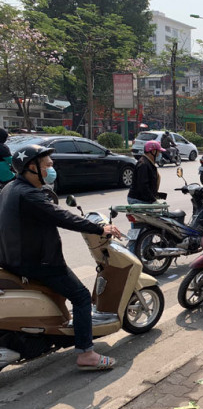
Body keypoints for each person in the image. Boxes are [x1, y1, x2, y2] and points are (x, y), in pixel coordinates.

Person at [0, 145, 122, 369]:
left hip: (13, 258)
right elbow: (63, 217)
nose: (51, 169)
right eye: (47, 165)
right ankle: (87, 354)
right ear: (31, 168)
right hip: (39, 263)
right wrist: (100, 229)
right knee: (82, 297)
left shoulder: (10, 188)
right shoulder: (29, 195)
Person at [127, 140, 164, 205]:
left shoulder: (149, 163)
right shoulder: (143, 164)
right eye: (158, 152)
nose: (159, 154)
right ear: (153, 151)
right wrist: (153, 200)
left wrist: (157, 195)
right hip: (138, 200)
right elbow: (143, 186)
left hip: (144, 198)